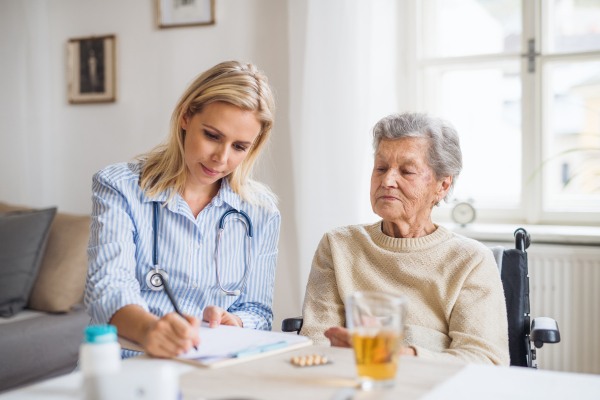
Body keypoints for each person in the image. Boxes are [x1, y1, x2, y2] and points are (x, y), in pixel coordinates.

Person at [85, 61, 281, 359]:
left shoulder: (261, 211)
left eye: (239, 147)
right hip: (129, 364)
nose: (221, 158)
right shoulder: (119, 187)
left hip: (209, 367)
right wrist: (151, 330)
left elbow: (257, 310)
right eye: (212, 136)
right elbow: (107, 290)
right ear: (186, 116)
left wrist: (236, 322)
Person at [299, 113, 510, 365]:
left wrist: (398, 356)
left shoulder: (471, 260)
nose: (387, 181)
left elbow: (486, 360)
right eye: (381, 168)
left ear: (442, 186)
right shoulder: (338, 245)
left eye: (407, 171)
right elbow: (317, 341)